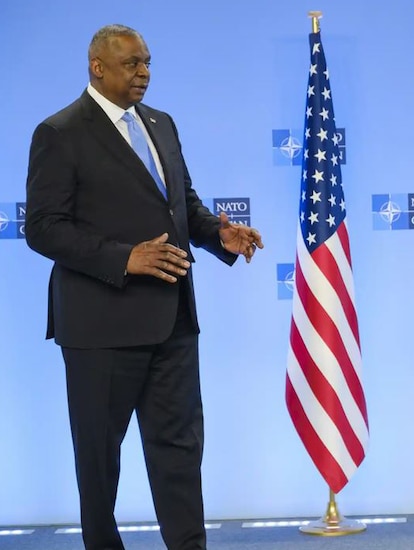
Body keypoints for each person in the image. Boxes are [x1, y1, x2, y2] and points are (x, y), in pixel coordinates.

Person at [25, 24, 264, 550]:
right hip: (100, 328)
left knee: (180, 452)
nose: (144, 73)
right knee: (99, 462)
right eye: (133, 64)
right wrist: (123, 258)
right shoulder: (60, 132)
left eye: (148, 63)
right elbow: (42, 227)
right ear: (98, 66)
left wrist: (218, 234)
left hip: (174, 321)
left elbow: (183, 203)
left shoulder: (161, 123)